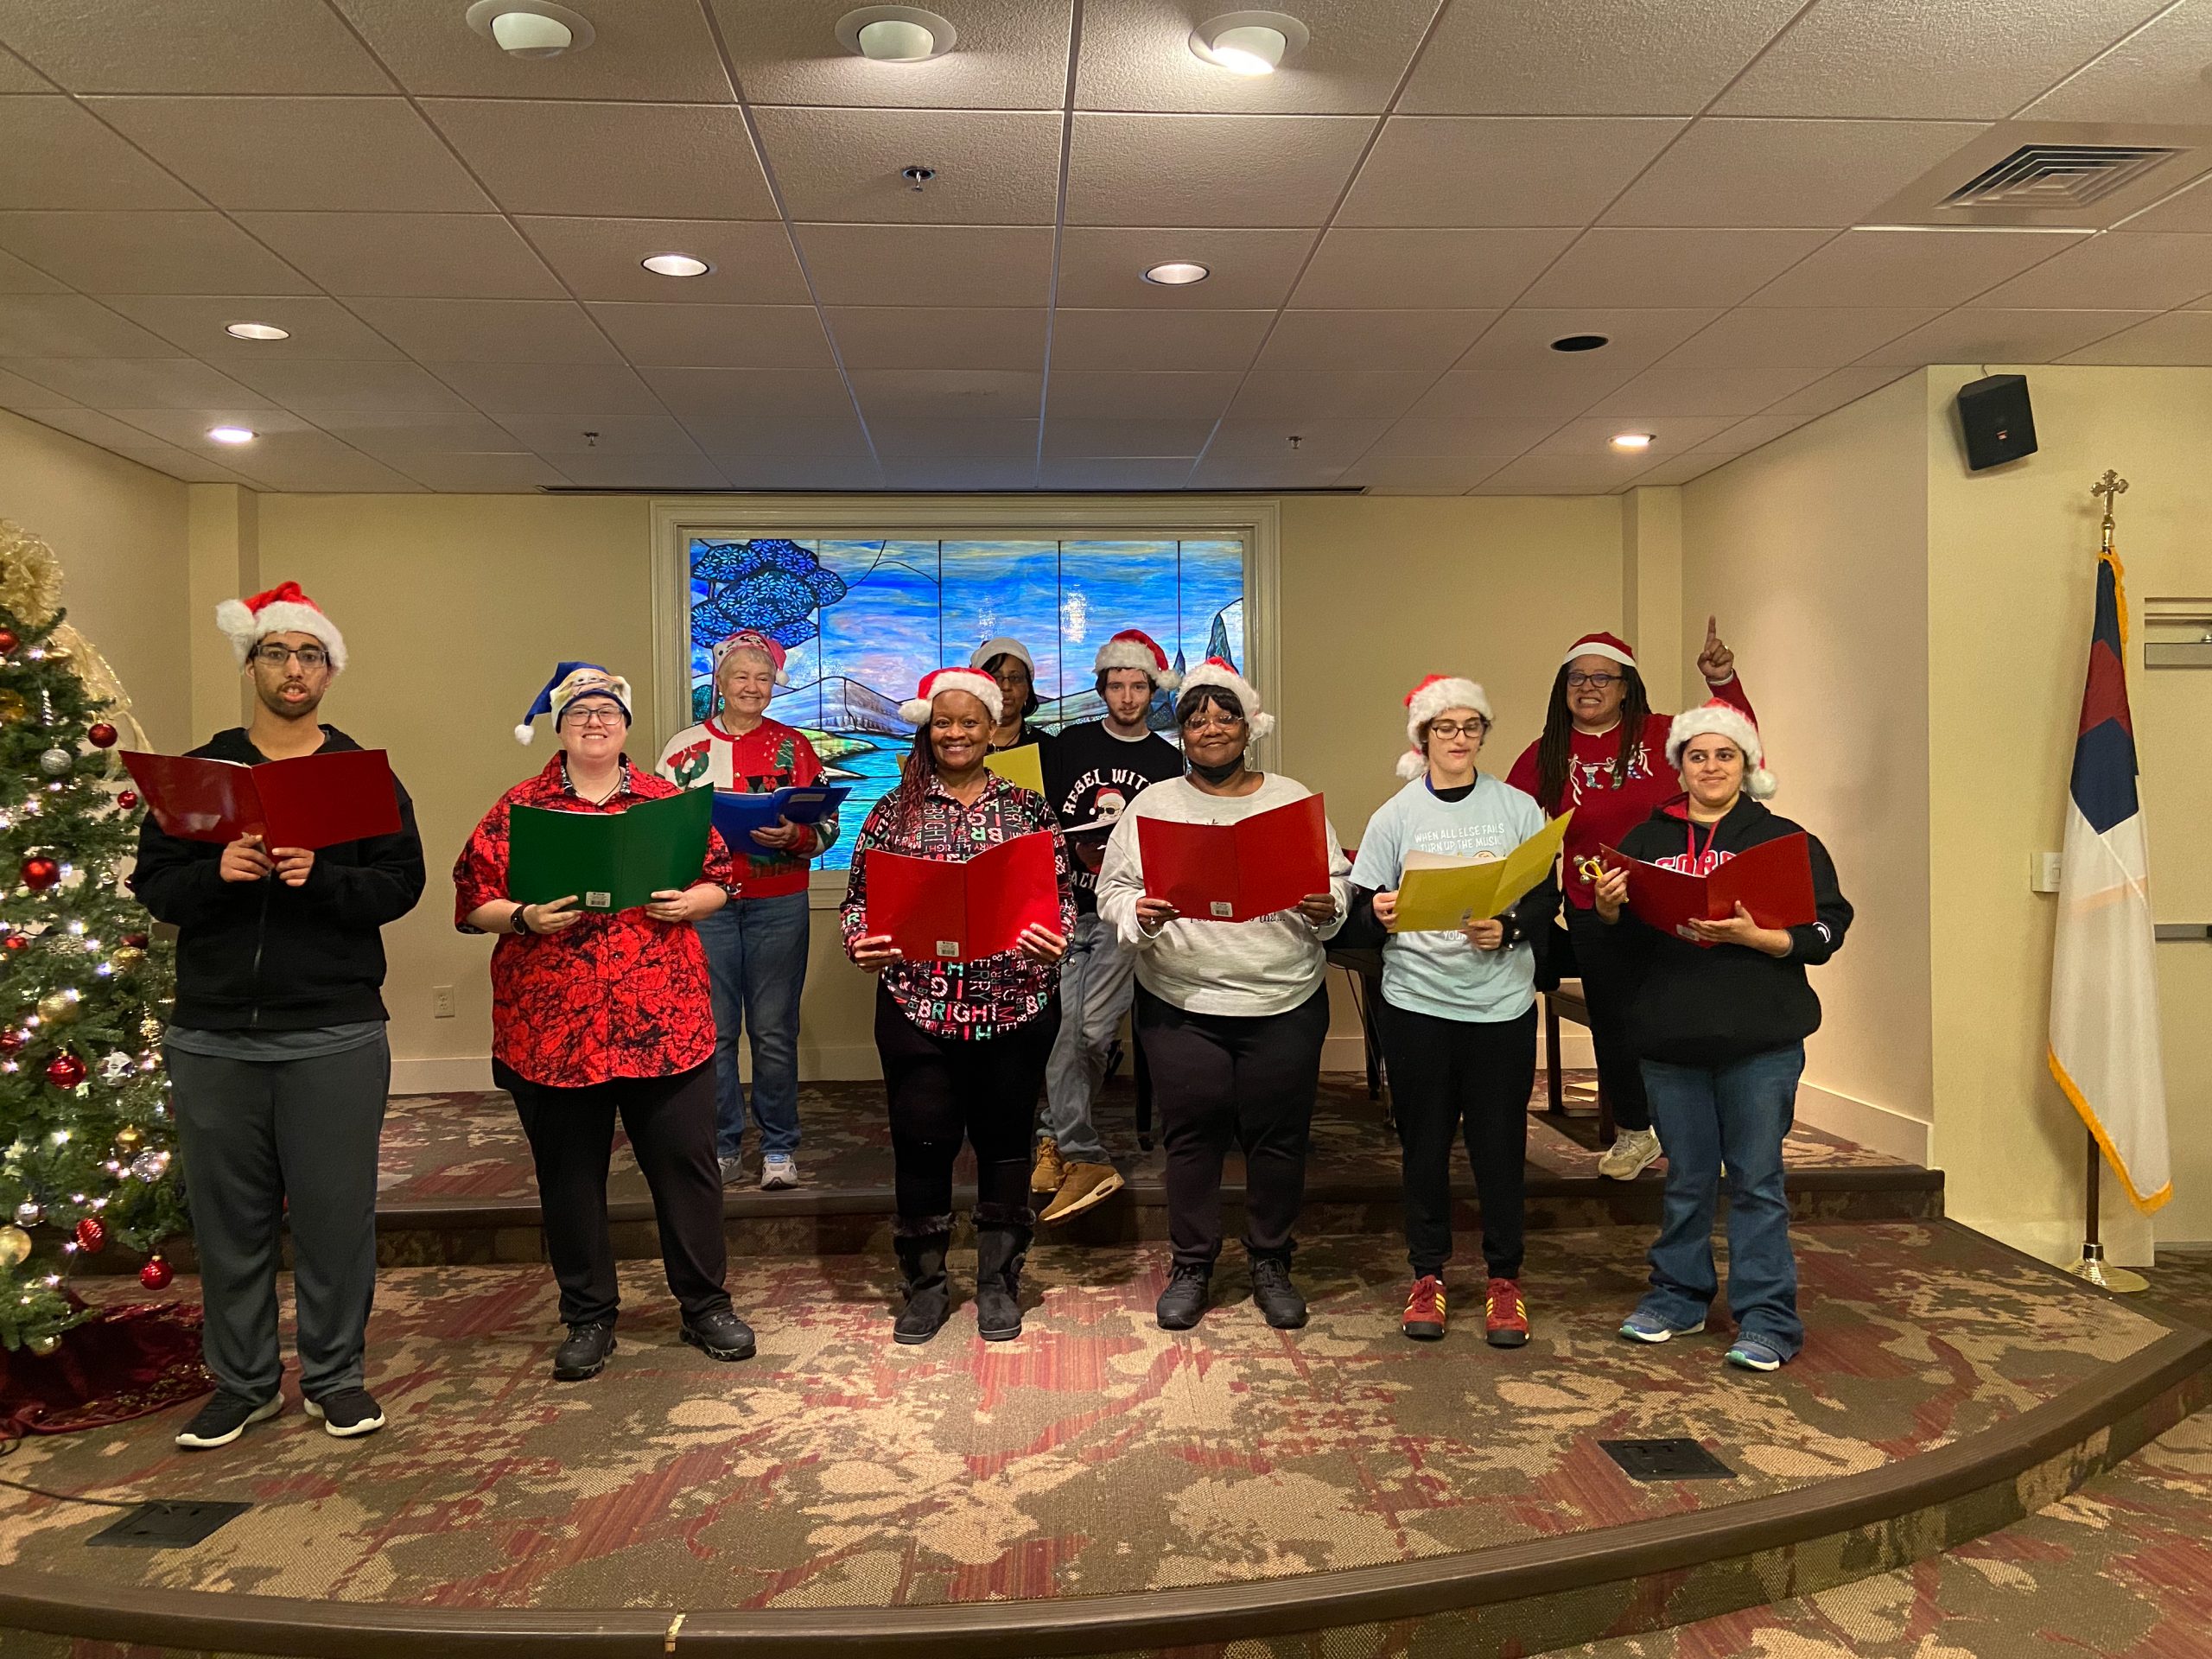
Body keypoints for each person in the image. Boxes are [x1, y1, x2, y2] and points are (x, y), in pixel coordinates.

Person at [133, 582, 426, 1449]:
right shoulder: (200, 774)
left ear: (329, 672)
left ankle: (335, 1378)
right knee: (230, 1223)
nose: (293, 669)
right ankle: (244, 1383)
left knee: (336, 1217)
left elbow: (399, 885)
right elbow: (156, 887)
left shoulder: (362, 776)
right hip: (213, 1032)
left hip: (333, 1029)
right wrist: (214, 876)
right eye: (276, 653)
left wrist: (322, 878)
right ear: (251, 665)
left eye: (309, 655)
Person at [454, 663, 756, 1382]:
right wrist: (523, 917)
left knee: (686, 1170)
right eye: (580, 713)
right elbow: (471, 899)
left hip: (663, 1022)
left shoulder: (667, 801)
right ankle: (588, 1315)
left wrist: (695, 902)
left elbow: (722, 876)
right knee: (570, 1177)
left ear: (626, 726)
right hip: (553, 1029)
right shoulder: (518, 807)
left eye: (608, 712)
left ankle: (705, 1305)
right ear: (560, 727)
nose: (595, 722)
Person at [1589, 700, 1851, 1372]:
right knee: (1687, 1179)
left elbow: (1827, 930)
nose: (1711, 767)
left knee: (1758, 1181)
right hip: (1670, 1041)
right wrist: (1609, 912)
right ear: (1680, 767)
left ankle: (1768, 1318)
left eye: (1724, 755)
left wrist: (1764, 939)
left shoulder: (1785, 841)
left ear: (1747, 764)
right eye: (1698, 756)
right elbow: (1616, 952)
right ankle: (1677, 1298)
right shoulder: (1643, 843)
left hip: (1760, 1043)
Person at [1096, 659, 1350, 1332]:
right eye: (1196, 719)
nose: (1210, 728)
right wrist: (1135, 913)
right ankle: (1192, 1265)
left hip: (1282, 998)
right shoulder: (1154, 806)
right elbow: (1112, 890)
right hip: (1182, 1003)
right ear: (1181, 733)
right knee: (1192, 1139)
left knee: (1278, 1139)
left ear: (1248, 726)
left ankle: (1271, 1260)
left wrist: (1331, 904)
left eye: (1224, 716)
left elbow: (1338, 883)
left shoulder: (1290, 799)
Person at [841, 667, 1073, 1344]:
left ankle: (999, 1284)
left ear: (993, 729)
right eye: (943, 722)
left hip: (1015, 1004)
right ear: (927, 728)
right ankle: (926, 1288)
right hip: (917, 1006)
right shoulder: (893, 811)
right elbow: (858, 901)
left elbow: (1061, 897)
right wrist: (861, 941)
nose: (955, 733)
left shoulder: (1028, 809)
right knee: (922, 1146)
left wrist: (1054, 939)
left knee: (1006, 1146)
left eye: (970, 722)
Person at [1346, 676, 1557, 1348]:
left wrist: (1511, 929)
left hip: (1500, 1006)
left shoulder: (1517, 807)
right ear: (1423, 736)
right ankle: (1428, 1275)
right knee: (1425, 1146)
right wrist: (1378, 911)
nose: (1459, 738)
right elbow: (1359, 908)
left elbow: (1543, 897)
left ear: (1483, 734)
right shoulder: (1396, 815)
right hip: (1418, 1004)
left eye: (1470, 726)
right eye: (1445, 727)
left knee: (1500, 1147)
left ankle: (1504, 1280)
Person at [1505, 620, 1751, 1182]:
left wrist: (1723, 683)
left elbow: (1737, 743)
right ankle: (1635, 1130)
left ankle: (1699, 1126)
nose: (1588, 687)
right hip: (1596, 909)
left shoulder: (1663, 734)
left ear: (1625, 687)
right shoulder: (1547, 754)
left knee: (1686, 1012)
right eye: (1576, 678)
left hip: (1672, 900)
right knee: (1615, 1020)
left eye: (1602, 678)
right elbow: (1506, 817)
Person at [657, 630, 838, 1192]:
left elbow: (827, 825)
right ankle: (724, 1144)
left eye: (763, 678)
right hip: (706, 906)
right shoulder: (682, 750)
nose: (752, 687)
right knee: (714, 1033)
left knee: (774, 1031)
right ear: (721, 681)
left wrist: (796, 835)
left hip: (778, 902)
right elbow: (656, 829)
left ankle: (780, 1147)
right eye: (741, 676)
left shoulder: (796, 747)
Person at [1031, 629, 1184, 1225]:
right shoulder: (1070, 745)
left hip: (1123, 916)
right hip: (1066, 910)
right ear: (1102, 689)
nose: (1127, 696)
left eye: (1137, 686)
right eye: (1116, 685)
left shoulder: (1167, 762)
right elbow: (1037, 817)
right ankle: (1073, 1148)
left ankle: (1052, 1132)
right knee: (1065, 1028)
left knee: (1092, 1033)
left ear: (1152, 690)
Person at [971, 636, 1046, 753]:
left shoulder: (1049, 749)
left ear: (1027, 689)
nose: (1006, 687)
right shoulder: (962, 746)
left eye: (1015, 678)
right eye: (996, 677)